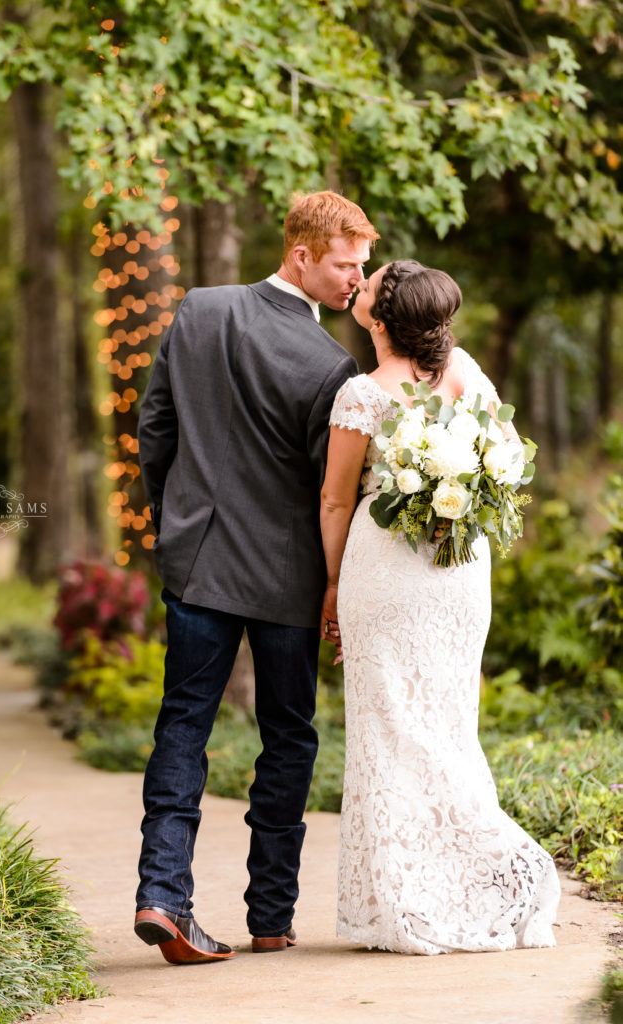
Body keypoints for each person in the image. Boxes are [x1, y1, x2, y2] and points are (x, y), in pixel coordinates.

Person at [134, 191, 379, 964]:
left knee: (183, 725)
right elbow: (328, 489)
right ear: (301, 253)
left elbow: (155, 428)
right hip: (287, 577)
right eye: (345, 265)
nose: (355, 280)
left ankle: (161, 895)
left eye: (363, 266)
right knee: (289, 738)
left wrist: (173, 520)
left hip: (198, 561)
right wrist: (335, 577)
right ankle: (271, 915)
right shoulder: (334, 367)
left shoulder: (198, 310)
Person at [320, 259, 560, 954]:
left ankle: (451, 885)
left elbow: (337, 499)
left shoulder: (360, 395)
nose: (359, 284)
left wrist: (332, 584)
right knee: (445, 724)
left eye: (368, 285)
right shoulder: (463, 371)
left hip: (385, 571)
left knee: (391, 725)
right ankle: (468, 883)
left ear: (381, 318)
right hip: (458, 566)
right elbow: (508, 462)